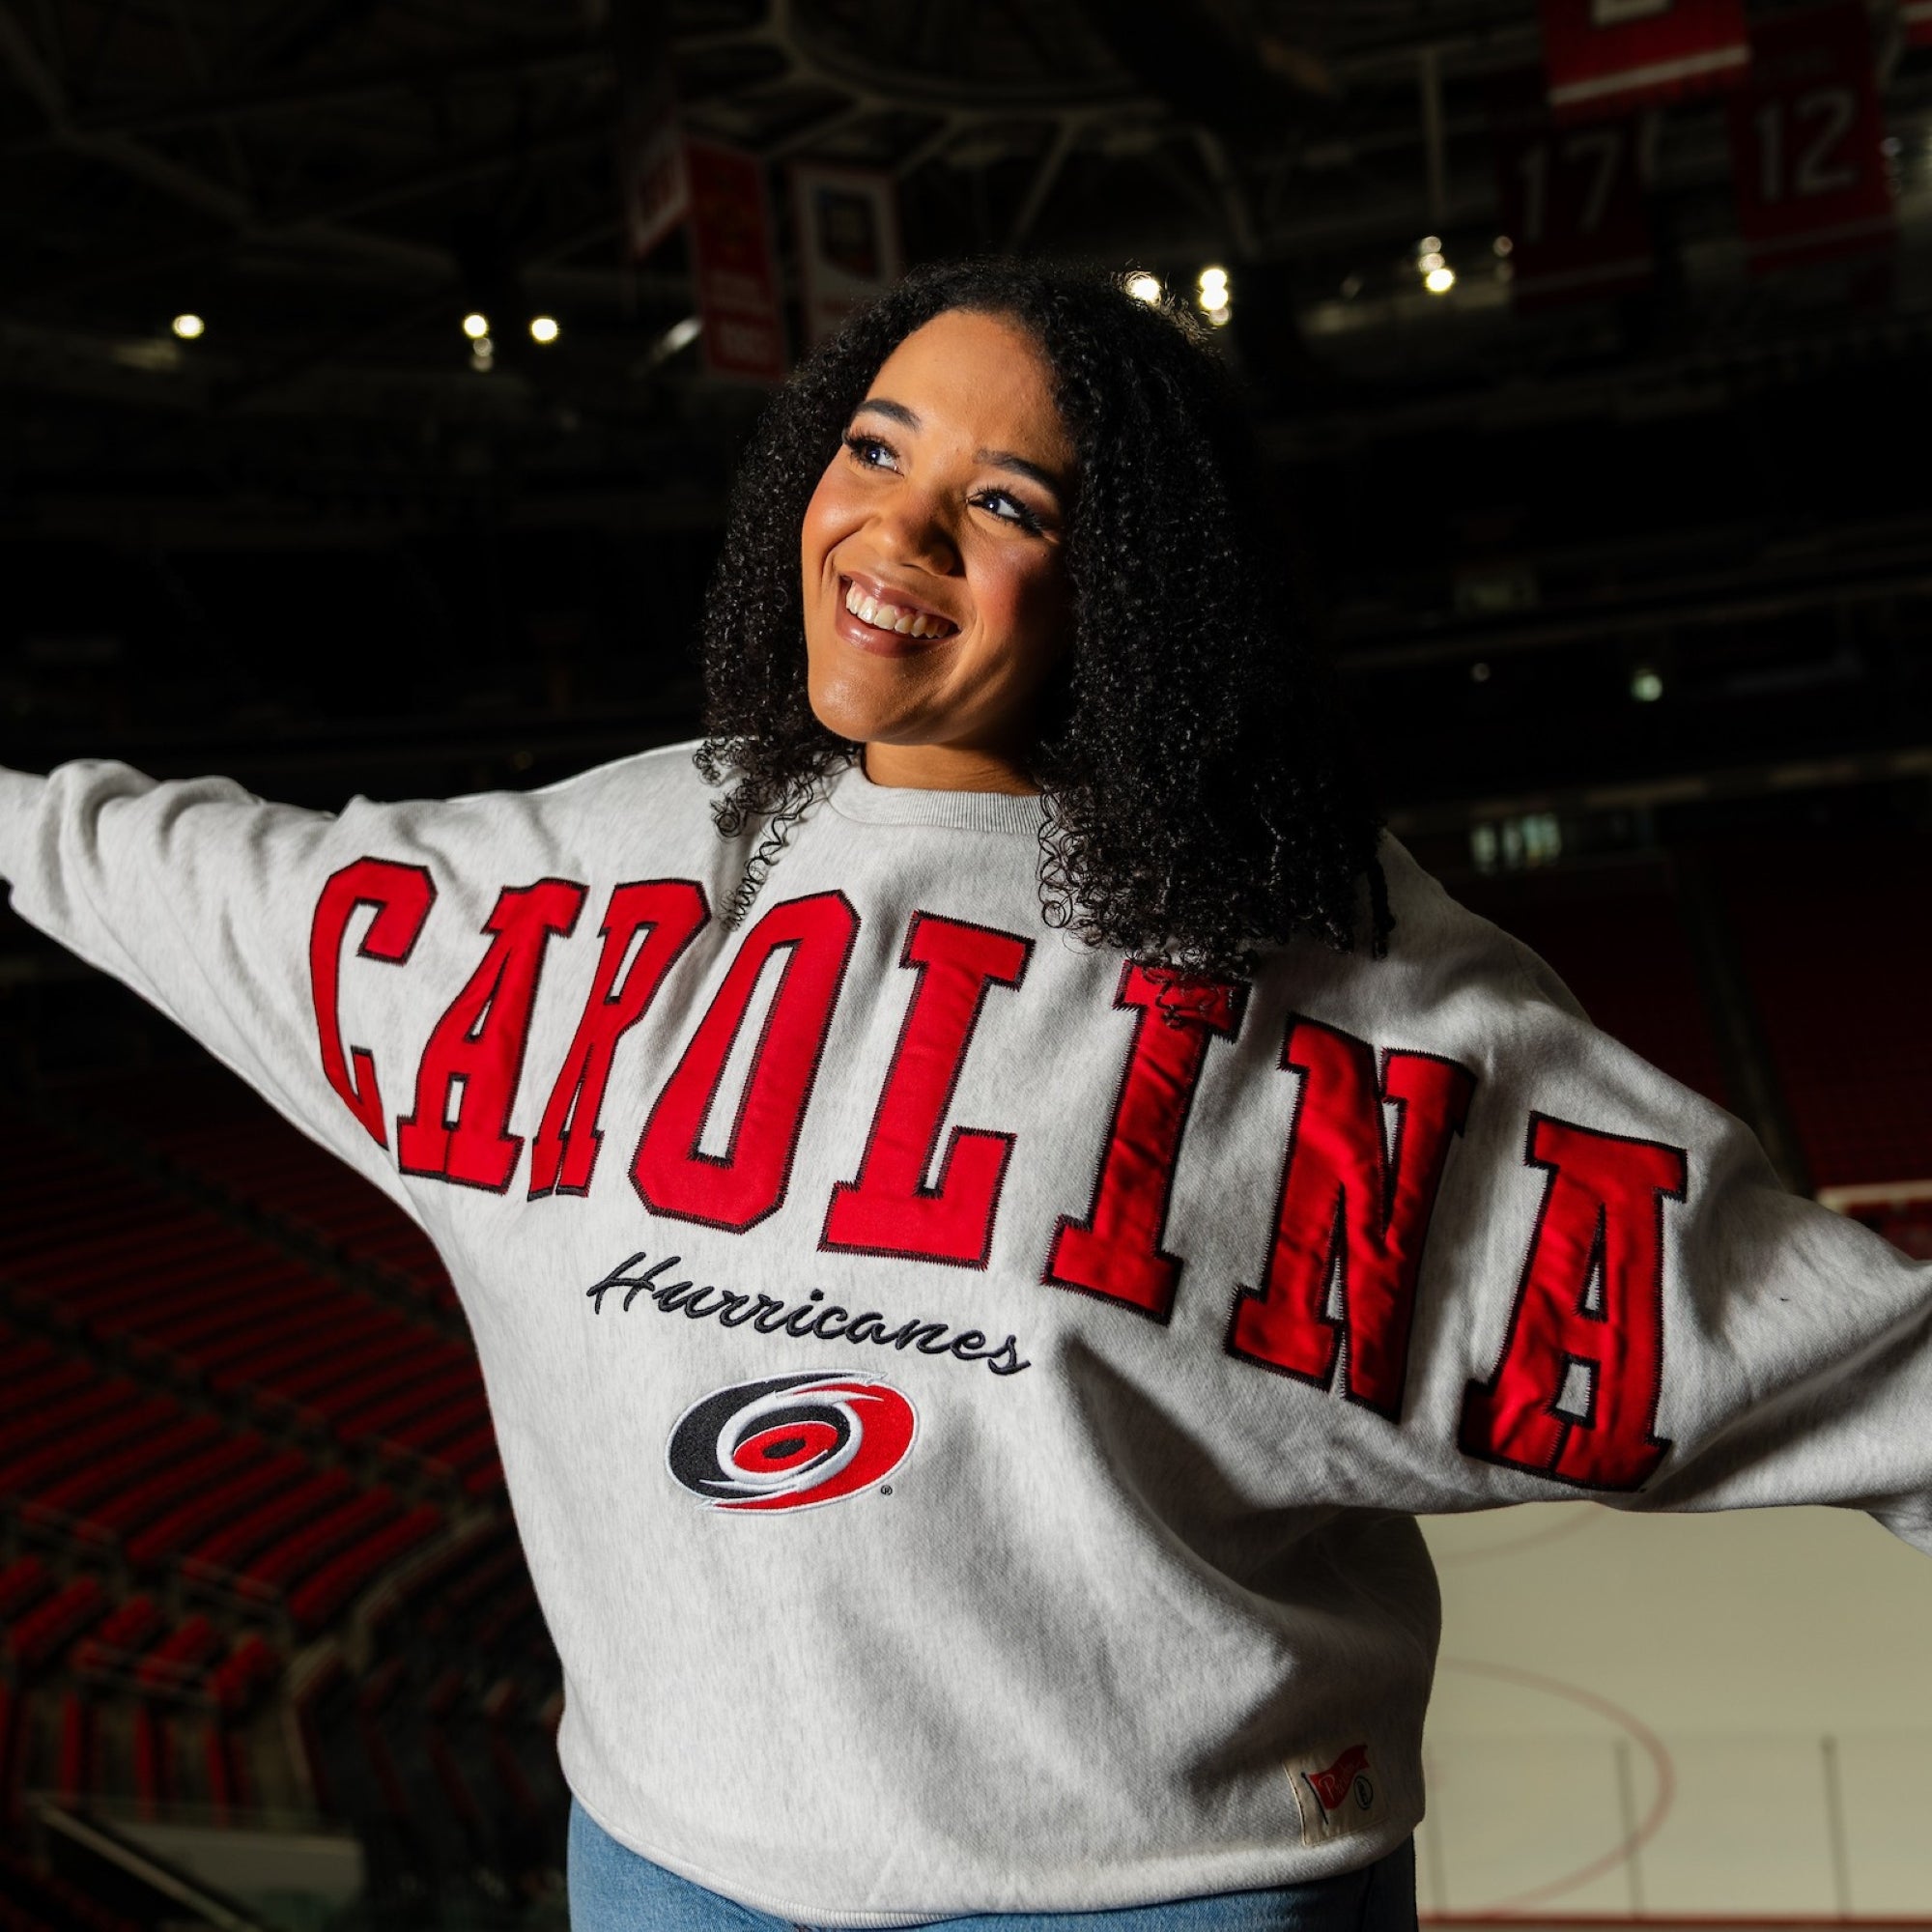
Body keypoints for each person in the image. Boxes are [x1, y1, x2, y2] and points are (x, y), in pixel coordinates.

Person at [3, 259, 1929, 1932]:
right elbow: (136, 858)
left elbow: (1855, 1380)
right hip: (668, 1869)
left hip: (1160, 1895)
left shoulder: (1317, 969)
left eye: (1002, 501)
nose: (896, 534)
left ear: (1134, 582)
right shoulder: (580, 870)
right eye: (873, 448)